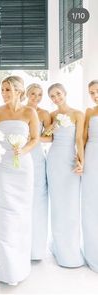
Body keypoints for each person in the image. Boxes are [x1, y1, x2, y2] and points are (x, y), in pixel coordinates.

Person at [0, 76, 39, 285]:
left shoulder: (30, 112)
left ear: (19, 91)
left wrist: (23, 151)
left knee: (21, 213)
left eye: (8, 89)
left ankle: (20, 263)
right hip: (2, 167)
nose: (4, 93)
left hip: (23, 168)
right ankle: (6, 265)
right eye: (3, 89)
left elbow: (35, 138)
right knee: (4, 213)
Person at [46, 83, 84, 267]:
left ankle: (72, 250)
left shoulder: (78, 114)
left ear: (65, 93)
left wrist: (81, 161)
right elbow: (46, 136)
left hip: (69, 159)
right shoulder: (52, 115)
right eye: (52, 96)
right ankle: (59, 248)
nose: (56, 98)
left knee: (71, 203)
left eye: (58, 94)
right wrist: (52, 127)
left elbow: (79, 139)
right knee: (58, 203)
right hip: (53, 160)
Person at [26, 83, 51, 260]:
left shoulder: (44, 114)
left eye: (40, 95)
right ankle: (22, 245)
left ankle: (37, 249)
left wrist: (34, 138)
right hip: (20, 156)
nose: (36, 97)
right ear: (27, 94)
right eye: (33, 94)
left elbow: (49, 138)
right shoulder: (20, 111)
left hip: (37, 158)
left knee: (38, 200)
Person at [81, 79, 98, 272]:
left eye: (97, 91)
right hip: (92, 156)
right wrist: (81, 160)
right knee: (91, 202)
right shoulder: (89, 112)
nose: (94, 95)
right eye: (91, 92)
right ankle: (93, 251)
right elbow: (83, 137)